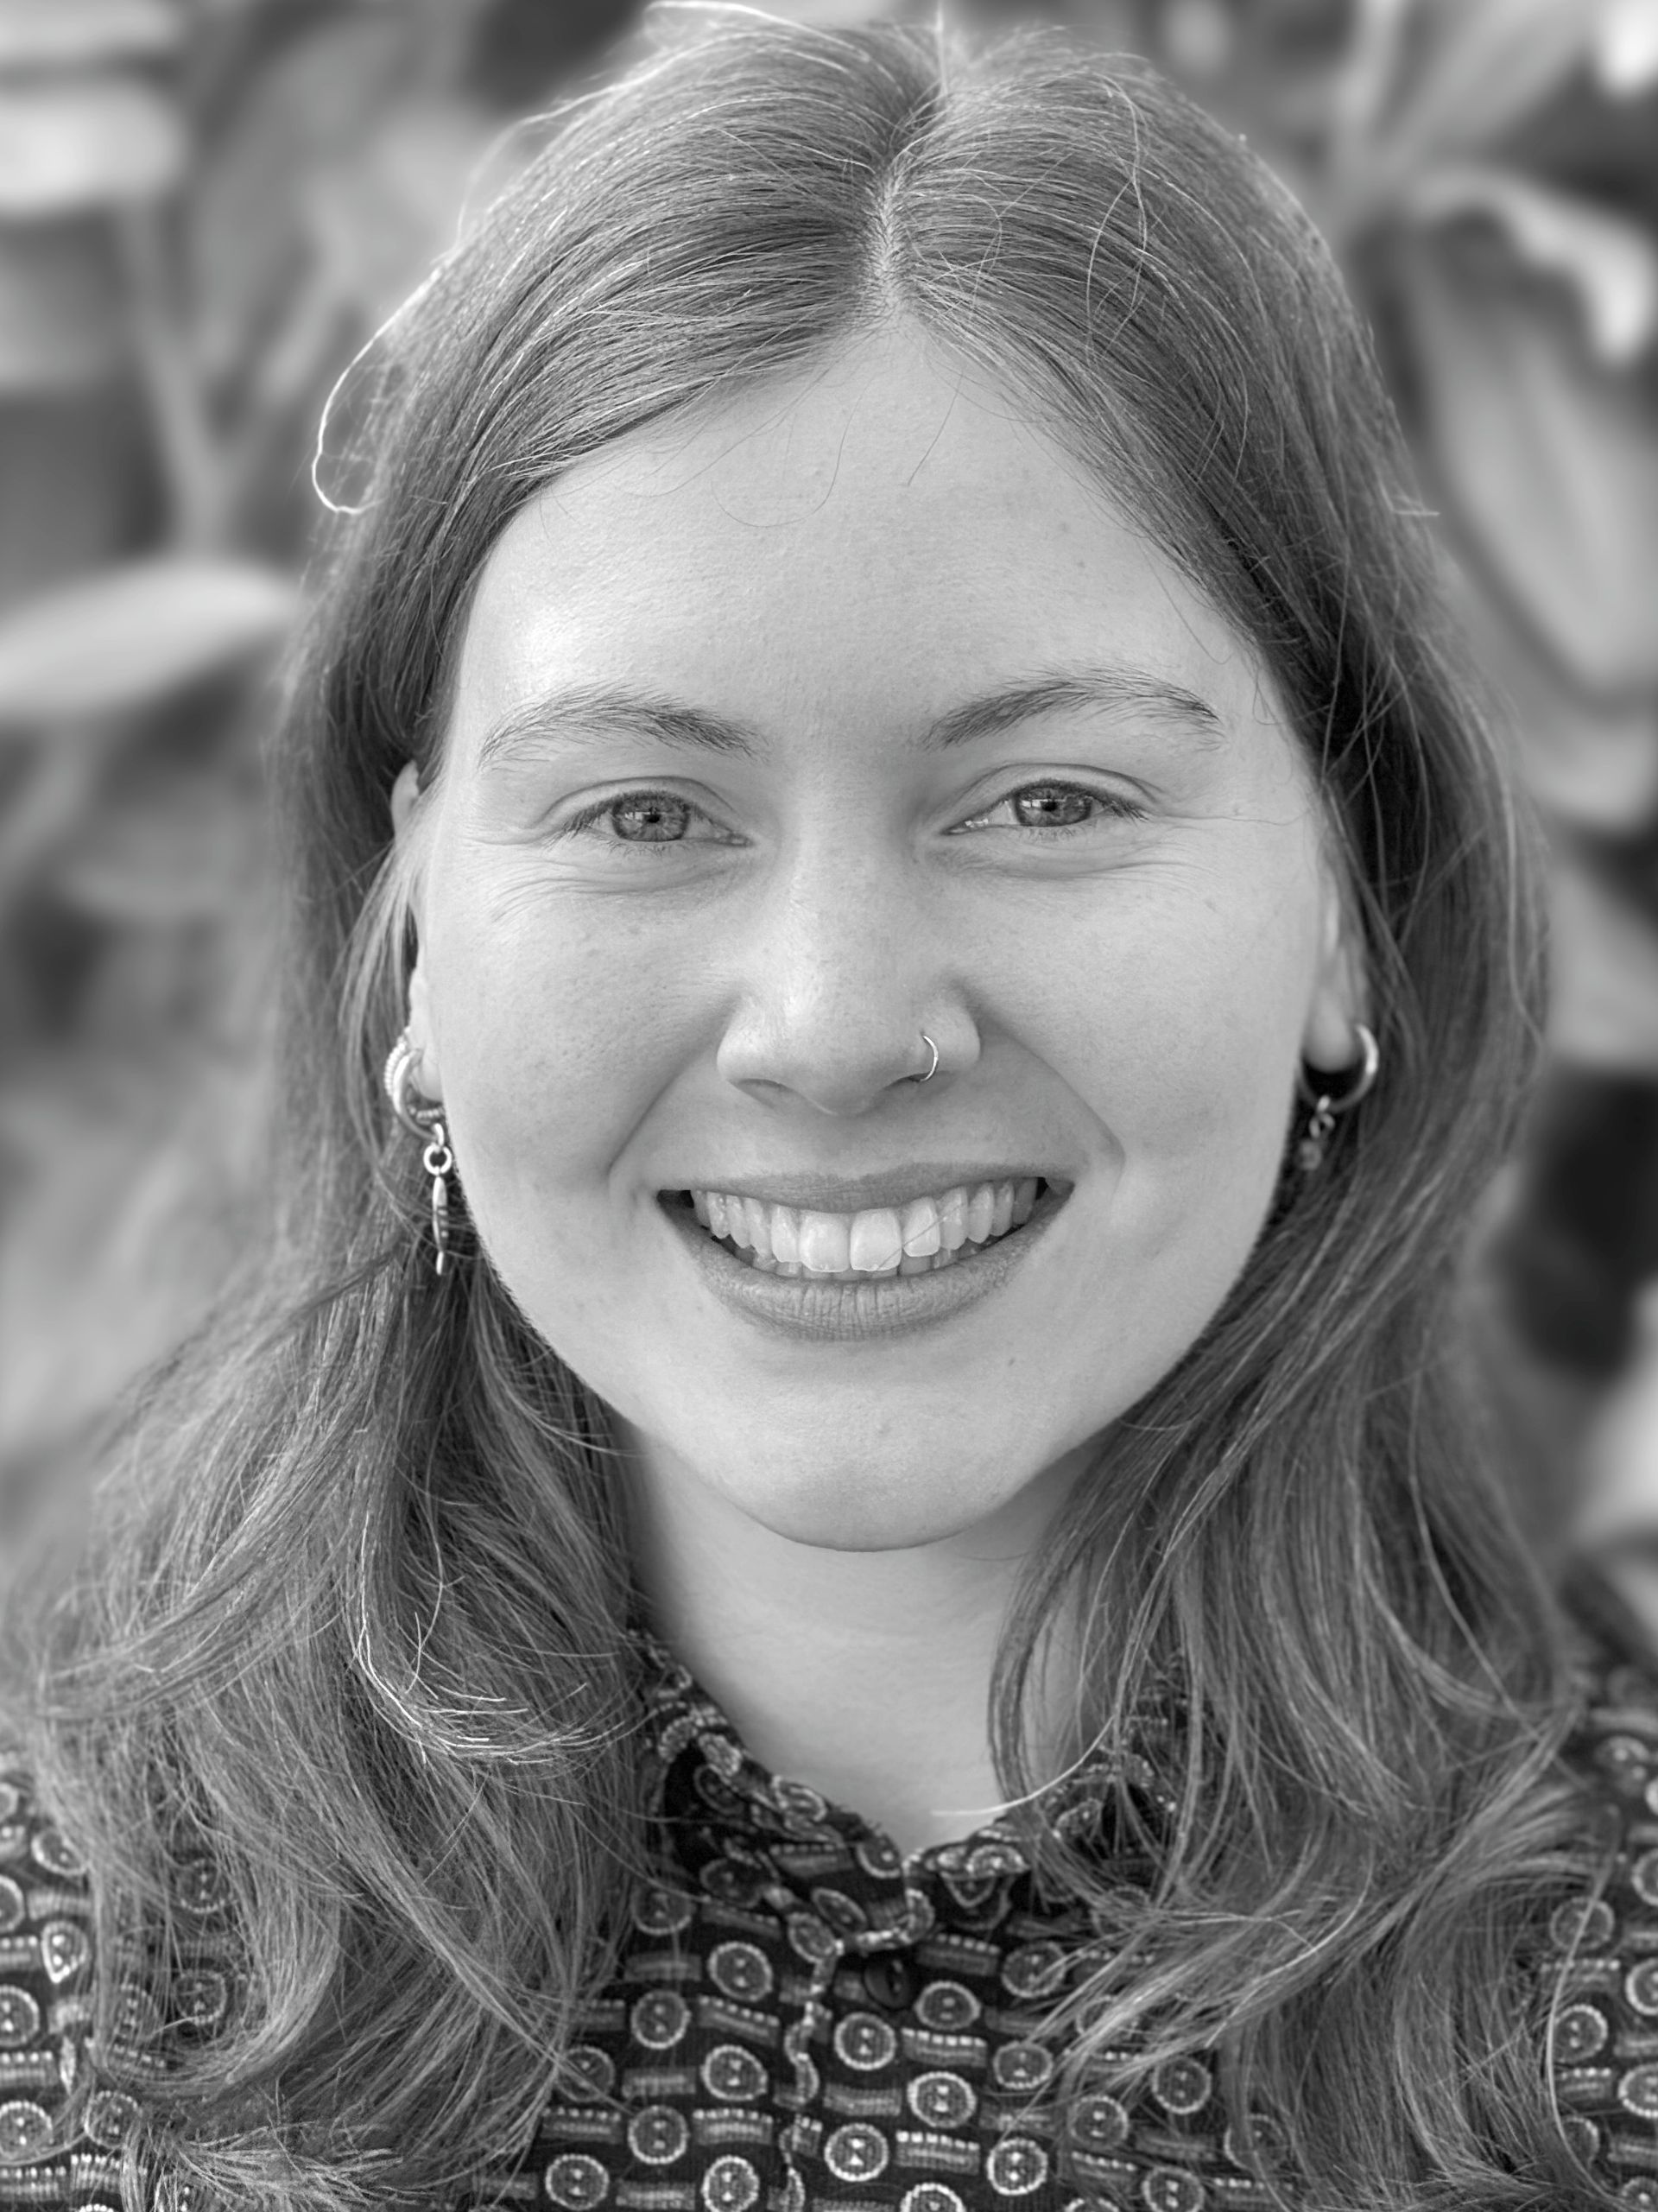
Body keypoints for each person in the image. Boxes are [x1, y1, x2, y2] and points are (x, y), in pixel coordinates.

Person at [3, 12, 1655, 2210]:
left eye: (1047, 800)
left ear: (1346, 904)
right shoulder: (62, 1986)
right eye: (645, 812)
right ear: (413, 942)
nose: (834, 1026)